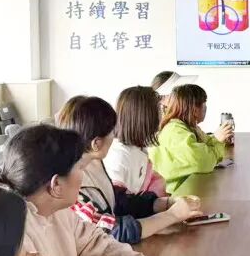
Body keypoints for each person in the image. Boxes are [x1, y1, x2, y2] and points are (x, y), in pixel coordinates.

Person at [0, 124, 161, 256]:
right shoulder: (10, 231)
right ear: (56, 185)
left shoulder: (57, 211)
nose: (83, 174)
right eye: (80, 168)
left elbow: (96, 246)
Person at [56, 96, 203, 243]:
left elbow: (116, 201)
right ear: (96, 144)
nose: (114, 136)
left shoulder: (92, 164)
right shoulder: (67, 184)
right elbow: (109, 231)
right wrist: (172, 215)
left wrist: (164, 203)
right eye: (111, 132)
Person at [149, 84, 232, 194]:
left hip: (186, 187)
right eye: (204, 103)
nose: (206, 108)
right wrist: (217, 141)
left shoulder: (187, 127)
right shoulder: (175, 131)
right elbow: (201, 161)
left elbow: (205, 142)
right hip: (174, 194)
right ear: (194, 109)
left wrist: (218, 138)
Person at [105, 86, 168, 197]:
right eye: (159, 109)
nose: (162, 114)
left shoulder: (139, 148)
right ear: (146, 115)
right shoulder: (118, 156)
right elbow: (117, 201)